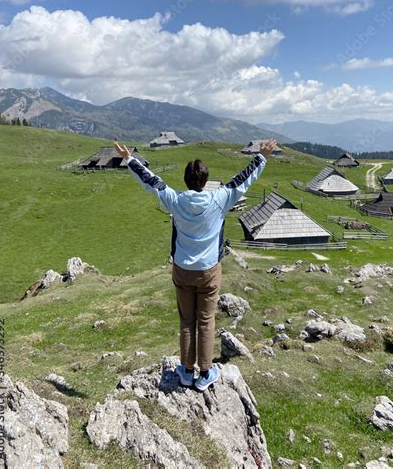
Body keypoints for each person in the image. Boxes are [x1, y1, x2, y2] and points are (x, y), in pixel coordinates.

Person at [114, 138, 278, 391]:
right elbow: (243, 179)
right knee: (206, 321)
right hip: (209, 270)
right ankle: (205, 373)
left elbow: (151, 181)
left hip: (182, 270)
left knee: (186, 321)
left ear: (186, 180)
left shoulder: (175, 200)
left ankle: (186, 371)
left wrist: (130, 159)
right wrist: (261, 156)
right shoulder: (219, 199)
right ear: (205, 180)